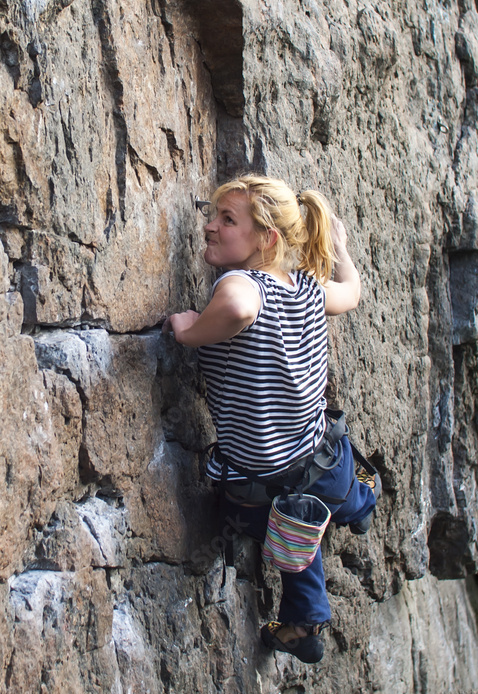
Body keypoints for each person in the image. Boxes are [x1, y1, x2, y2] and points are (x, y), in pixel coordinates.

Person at [163, 175, 380, 664]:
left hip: (256, 494)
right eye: (212, 215)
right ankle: (356, 503)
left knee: (286, 513)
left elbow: (239, 305)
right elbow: (351, 292)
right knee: (311, 496)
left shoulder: (241, 282)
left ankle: (309, 610)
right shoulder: (306, 285)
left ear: (267, 239)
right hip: (324, 464)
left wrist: (190, 331)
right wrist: (340, 248)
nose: (209, 227)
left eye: (227, 219)